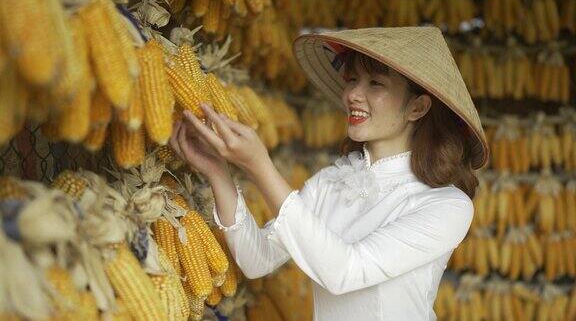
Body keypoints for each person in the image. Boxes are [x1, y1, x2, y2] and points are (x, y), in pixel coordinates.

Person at [169, 27, 489, 321]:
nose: (352, 94)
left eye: (375, 83)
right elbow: (257, 260)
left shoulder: (447, 205)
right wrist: (219, 173)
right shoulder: (331, 182)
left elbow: (345, 272)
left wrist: (259, 166)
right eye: (351, 79)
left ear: (417, 108)